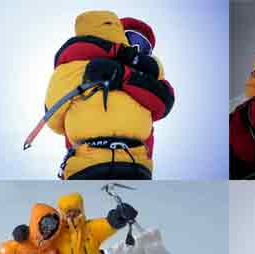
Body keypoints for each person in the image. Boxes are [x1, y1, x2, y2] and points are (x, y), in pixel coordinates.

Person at [45, 11, 175, 180]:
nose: (136, 49)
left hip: (134, 163)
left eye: (144, 47)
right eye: (131, 39)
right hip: (90, 162)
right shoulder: (77, 65)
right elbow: (53, 116)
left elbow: (163, 103)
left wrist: (124, 76)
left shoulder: (150, 75)